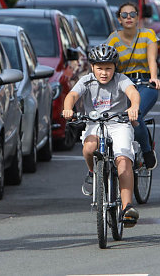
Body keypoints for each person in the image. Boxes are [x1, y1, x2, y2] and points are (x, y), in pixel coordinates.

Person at [62, 44, 141, 226]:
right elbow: (72, 95)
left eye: (108, 68)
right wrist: (68, 108)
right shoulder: (86, 80)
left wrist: (133, 107)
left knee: (123, 161)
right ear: (92, 67)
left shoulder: (121, 79)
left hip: (119, 124)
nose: (104, 73)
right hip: (94, 123)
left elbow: (133, 93)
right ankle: (92, 172)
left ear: (115, 67)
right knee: (89, 147)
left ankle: (127, 207)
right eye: (99, 68)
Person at [106, 2, 160, 170]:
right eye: (124, 15)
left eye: (132, 14)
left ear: (138, 17)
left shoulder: (148, 34)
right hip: (122, 85)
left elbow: (152, 59)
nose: (128, 18)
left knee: (135, 115)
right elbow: (105, 62)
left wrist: (154, 77)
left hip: (145, 83)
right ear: (119, 19)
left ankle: (147, 151)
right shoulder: (114, 38)